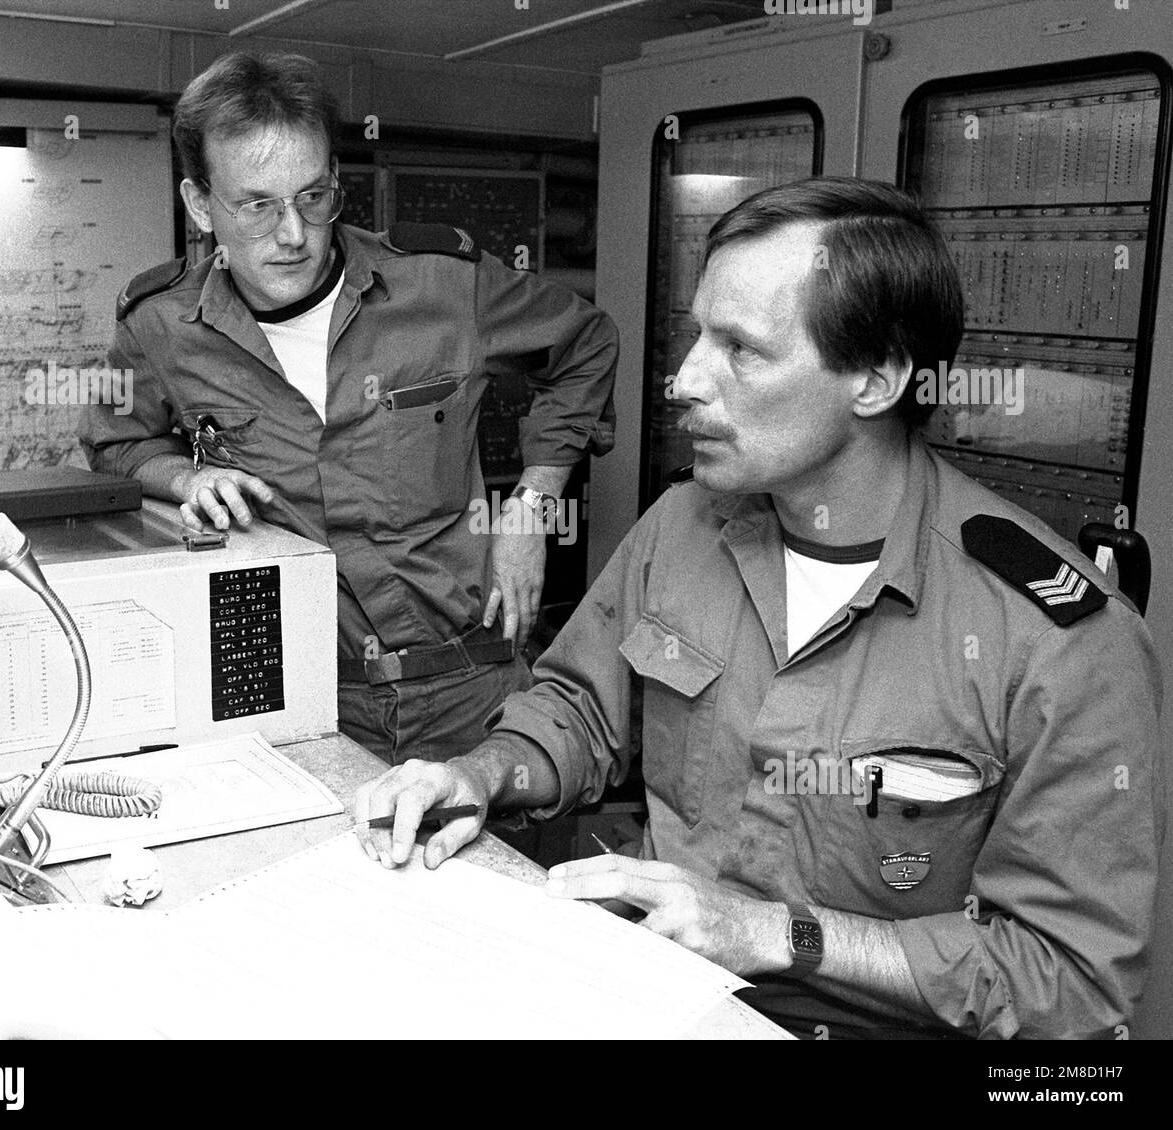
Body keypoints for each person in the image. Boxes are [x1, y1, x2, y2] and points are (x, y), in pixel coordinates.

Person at [353, 177, 1165, 1040]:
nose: (683, 380)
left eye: (741, 348)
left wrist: (774, 935)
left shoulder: (1060, 642)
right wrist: (483, 773)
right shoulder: (685, 527)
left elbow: (1070, 983)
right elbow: (583, 710)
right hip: (655, 994)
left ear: (877, 379)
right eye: (697, 334)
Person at [79, 52, 617, 766]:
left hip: (473, 692)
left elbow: (588, 342)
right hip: (301, 708)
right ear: (201, 205)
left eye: (312, 196)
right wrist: (185, 478)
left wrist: (532, 507)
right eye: (257, 204)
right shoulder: (160, 327)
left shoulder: (442, 287)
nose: (294, 233)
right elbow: (115, 443)